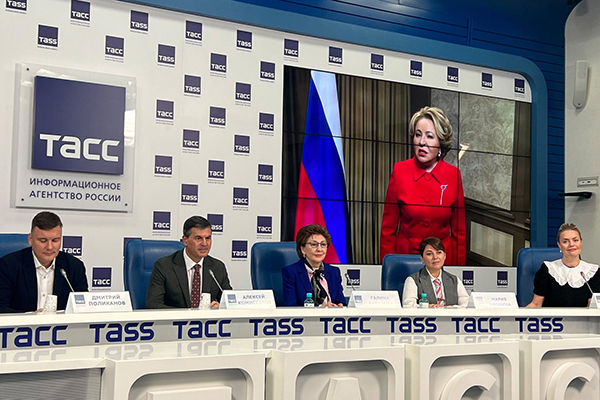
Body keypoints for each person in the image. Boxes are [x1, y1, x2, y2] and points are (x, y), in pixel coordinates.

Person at [380, 106, 466, 265]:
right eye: (418, 135)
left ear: (441, 142)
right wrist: (388, 267)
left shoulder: (453, 175)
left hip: (441, 261)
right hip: (405, 260)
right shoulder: (400, 171)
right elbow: (388, 231)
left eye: (430, 136)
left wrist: (458, 270)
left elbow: (459, 233)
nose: (422, 142)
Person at [0, 211, 88, 313]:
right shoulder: (8, 266)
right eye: (43, 240)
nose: (49, 247)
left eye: (55, 240)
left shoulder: (74, 267)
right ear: (30, 239)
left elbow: (83, 307)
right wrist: (30, 316)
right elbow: (1, 308)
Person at [146, 215, 232, 309]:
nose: (204, 243)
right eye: (198, 238)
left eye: (208, 238)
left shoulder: (217, 267)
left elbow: (230, 303)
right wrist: (187, 314)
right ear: (185, 240)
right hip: (176, 318)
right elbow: (153, 304)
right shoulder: (164, 266)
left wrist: (220, 308)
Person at [527, 223, 600, 307]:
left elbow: (593, 307)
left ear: (581, 242)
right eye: (565, 241)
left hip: (581, 316)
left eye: (575, 240)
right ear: (559, 245)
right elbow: (536, 304)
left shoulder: (593, 271)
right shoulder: (548, 269)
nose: (571, 244)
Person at [282, 224, 346, 307]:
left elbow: (341, 301)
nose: (319, 249)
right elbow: (290, 306)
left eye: (323, 244)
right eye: (314, 244)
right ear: (303, 249)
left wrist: (340, 305)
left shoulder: (334, 272)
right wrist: (320, 308)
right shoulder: (291, 272)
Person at [402, 237, 469, 308]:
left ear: (444, 256)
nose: (435, 257)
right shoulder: (413, 280)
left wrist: (450, 308)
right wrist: (427, 307)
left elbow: (467, 305)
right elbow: (408, 306)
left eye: (439, 252)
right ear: (422, 259)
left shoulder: (454, 280)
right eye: (429, 254)